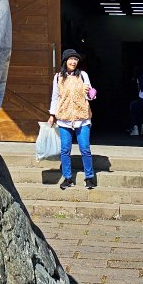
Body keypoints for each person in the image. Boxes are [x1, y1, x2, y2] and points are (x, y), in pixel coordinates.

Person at [46, 48, 97, 190]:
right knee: (65, 149)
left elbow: (90, 94)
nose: (73, 62)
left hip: (82, 117)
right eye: (71, 59)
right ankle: (67, 178)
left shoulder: (83, 75)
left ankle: (89, 177)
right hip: (64, 118)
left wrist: (91, 94)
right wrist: (52, 115)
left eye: (75, 59)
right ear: (65, 61)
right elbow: (55, 98)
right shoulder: (58, 77)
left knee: (85, 148)